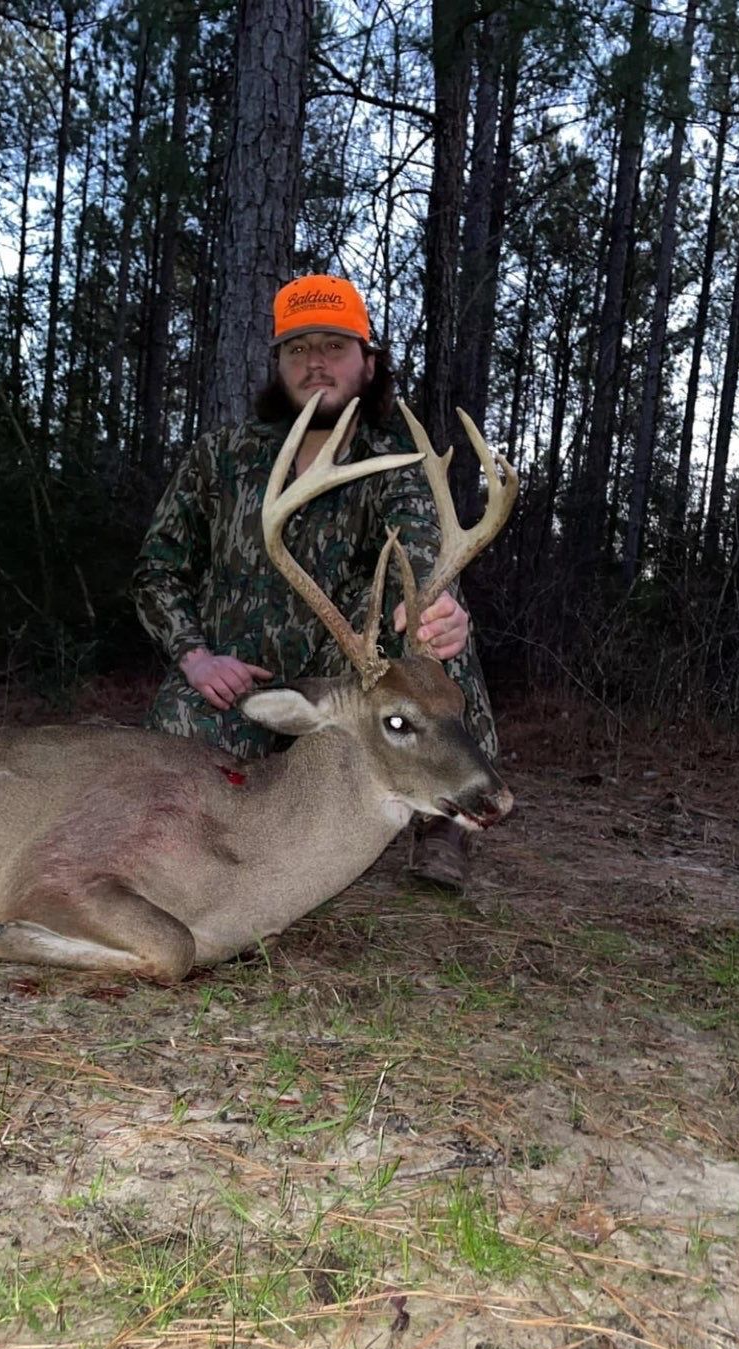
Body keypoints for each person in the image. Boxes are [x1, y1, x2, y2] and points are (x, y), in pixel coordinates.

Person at [132, 273, 500, 889]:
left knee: (434, 619)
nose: (315, 363)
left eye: (334, 345)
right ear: (278, 363)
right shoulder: (222, 456)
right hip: (237, 680)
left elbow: (420, 549)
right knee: (165, 770)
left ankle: (443, 825)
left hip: (351, 687)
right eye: (298, 348)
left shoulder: (398, 463)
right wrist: (195, 658)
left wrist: (436, 615)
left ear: (368, 362)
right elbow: (157, 570)